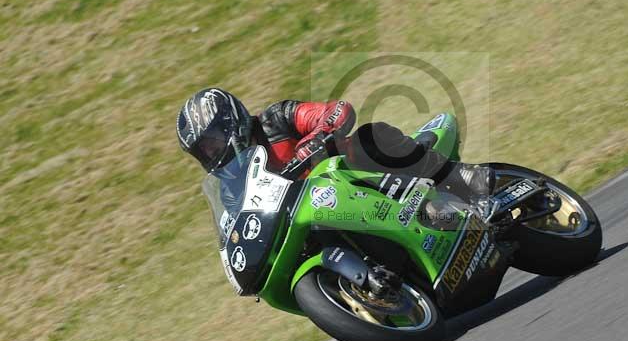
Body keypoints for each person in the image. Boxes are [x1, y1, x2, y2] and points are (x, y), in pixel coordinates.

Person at [176, 88, 494, 197]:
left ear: (230, 122)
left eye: (212, 143)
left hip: (353, 177)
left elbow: (336, 111)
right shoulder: (233, 185)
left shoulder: (275, 118)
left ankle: (460, 176)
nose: (212, 153)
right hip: (319, 213)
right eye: (203, 151)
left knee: (369, 138)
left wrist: (315, 141)